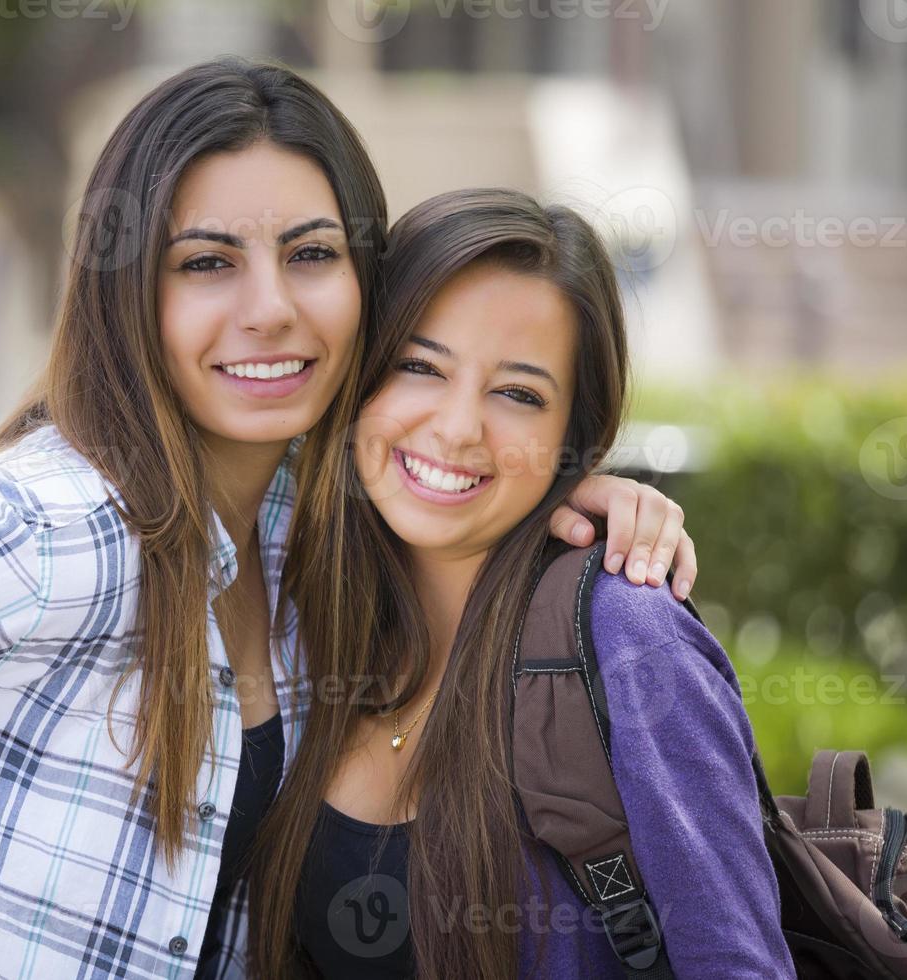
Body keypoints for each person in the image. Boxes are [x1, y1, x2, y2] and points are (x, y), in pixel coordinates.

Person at [0, 65, 695, 980]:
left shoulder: (307, 544)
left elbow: (452, 455)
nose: (269, 306)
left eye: (310, 254)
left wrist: (568, 489)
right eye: (206, 262)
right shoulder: (48, 530)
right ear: (128, 292)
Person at [247, 188, 786, 979]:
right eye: (420, 366)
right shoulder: (297, 614)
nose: (459, 427)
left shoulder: (628, 638)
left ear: (575, 437)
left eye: (518, 394)